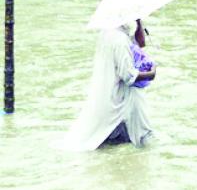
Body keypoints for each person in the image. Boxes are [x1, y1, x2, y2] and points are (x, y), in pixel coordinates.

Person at [55, 21, 156, 151]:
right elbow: (128, 76)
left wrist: (138, 21)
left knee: (111, 145)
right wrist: (151, 73)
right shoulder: (120, 40)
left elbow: (140, 43)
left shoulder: (108, 33)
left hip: (108, 96)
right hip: (119, 100)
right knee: (138, 141)